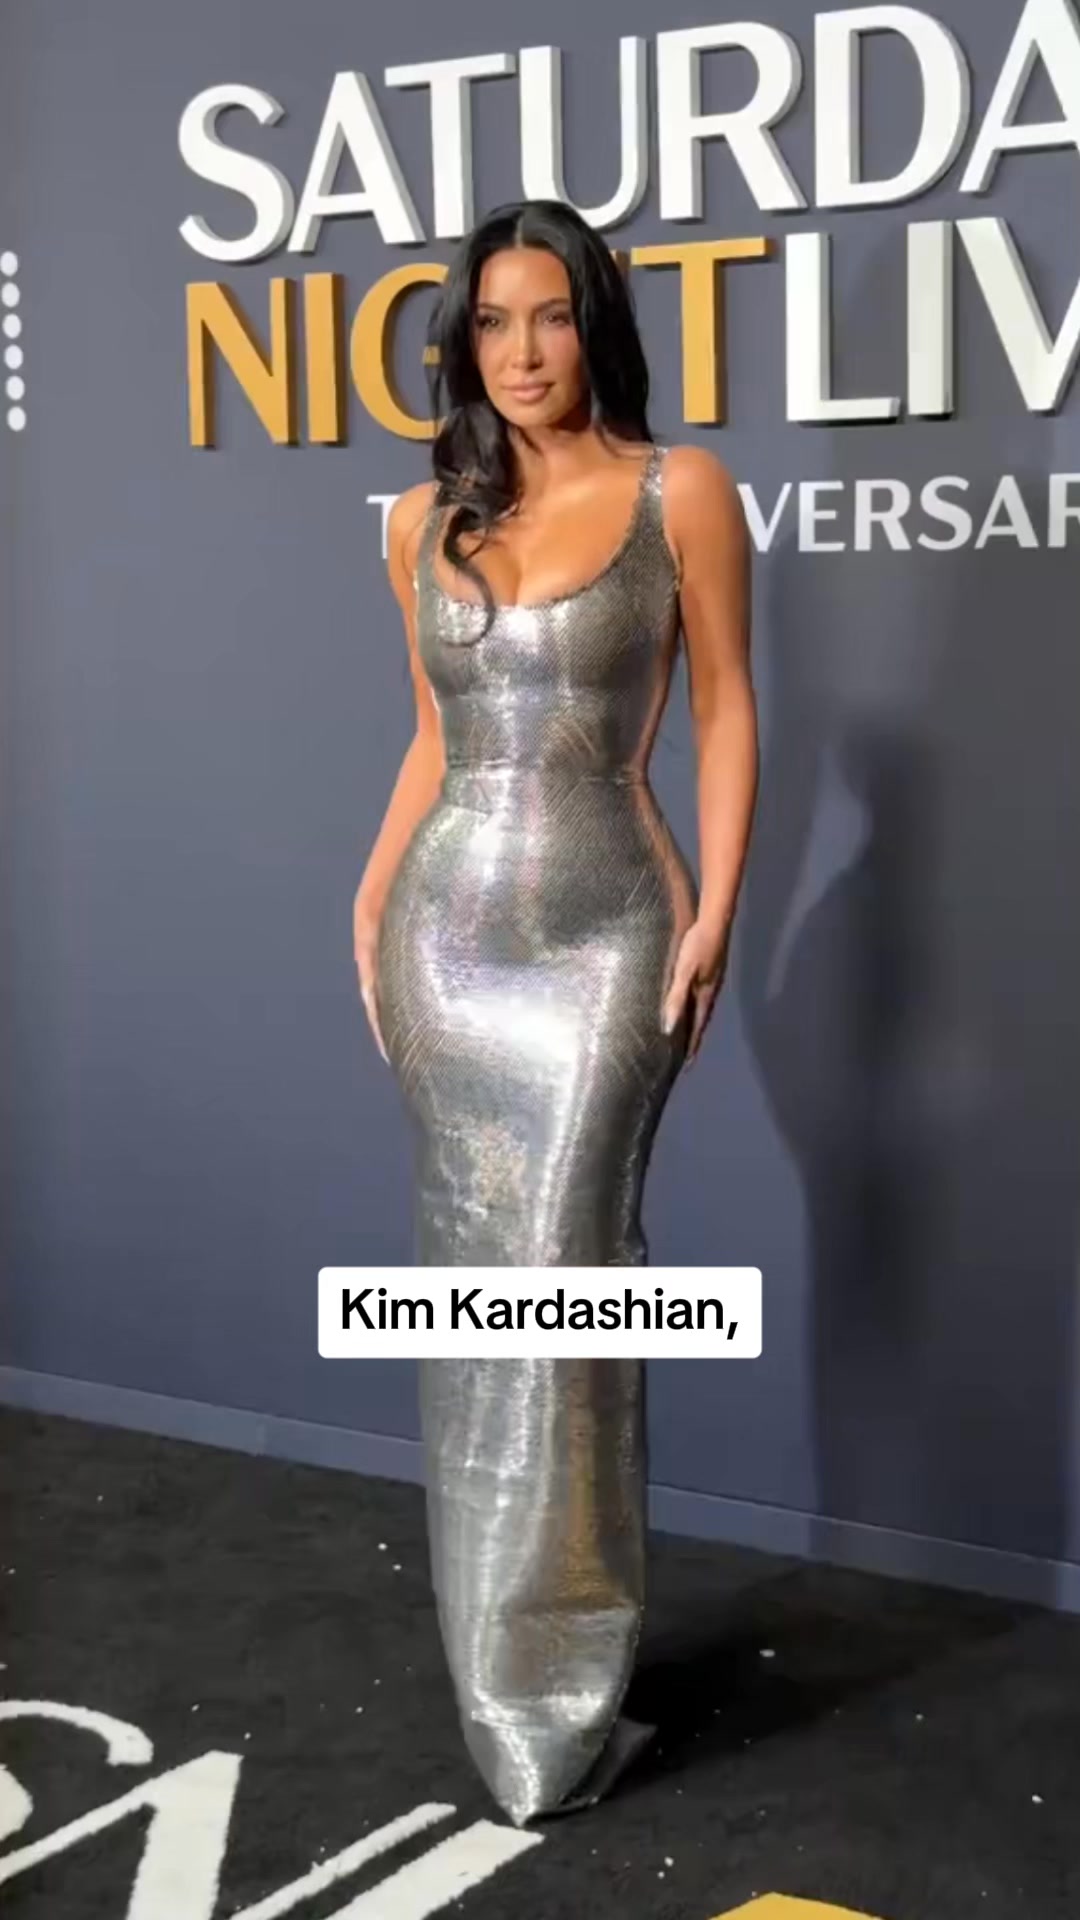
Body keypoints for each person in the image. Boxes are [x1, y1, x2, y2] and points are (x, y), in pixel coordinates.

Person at [352, 199, 758, 1826]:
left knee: (568, 1278)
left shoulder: (682, 492)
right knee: (474, 1293)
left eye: (552, 317)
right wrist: (370, 898)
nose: (521, 353)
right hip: (445, 936)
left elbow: (726, 708)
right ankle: (499, 1678)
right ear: (462, 341)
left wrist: (719, 909)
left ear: (596, 326)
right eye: (492, 321)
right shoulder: (418, 521)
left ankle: (564, 1687)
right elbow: (429, 741)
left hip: (609, 934)